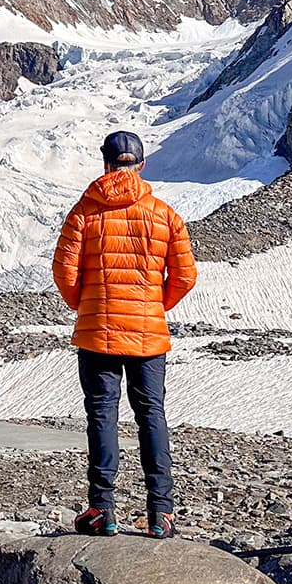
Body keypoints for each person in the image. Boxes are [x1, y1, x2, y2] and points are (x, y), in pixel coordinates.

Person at [51, 130, 198, 539]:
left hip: (98, 332)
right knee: (151, 413)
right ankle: (160, 514)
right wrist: (154, 306)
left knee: (102, 413)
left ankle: (102, 510)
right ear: (142, 165)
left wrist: (86, 304)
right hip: (148, 333)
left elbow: (64, 271)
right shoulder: (164, 214)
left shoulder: (84, 212)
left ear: (105, 163)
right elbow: (185, 275)